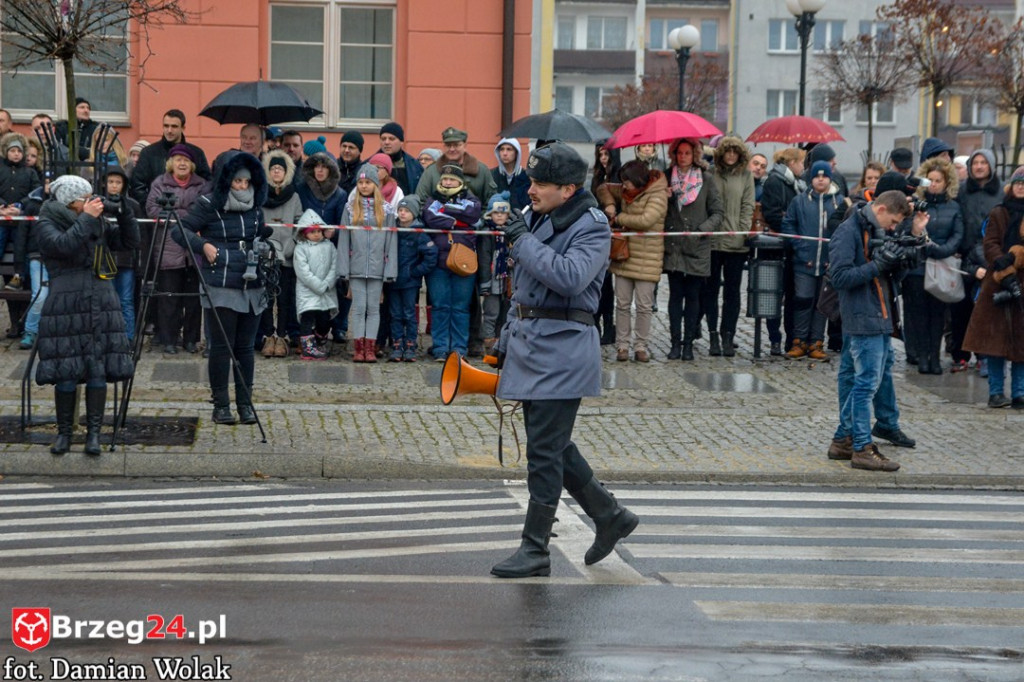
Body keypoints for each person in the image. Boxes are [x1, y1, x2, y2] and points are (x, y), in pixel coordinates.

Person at [489, 141, 638, 579]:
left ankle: (535, 549)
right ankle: (610, 515)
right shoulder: (541, 215)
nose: (531, 189)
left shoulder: (592, 226)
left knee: (544, 451)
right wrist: (504, 340)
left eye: (540, 183)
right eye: (532, 181)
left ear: (569, 189)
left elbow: (570, 278)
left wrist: (521, 239)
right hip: (533, 344)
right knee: (551, 444)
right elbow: (525, 289)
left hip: (563, 349)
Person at [34, 174, 140, 456]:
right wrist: (88, 219)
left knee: (98, 367)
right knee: (66, 370)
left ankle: (94, 434)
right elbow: (63, 246)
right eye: (84, 199)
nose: (91, 202)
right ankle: (64, 434)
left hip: (100, 298)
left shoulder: (96, 221)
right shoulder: (46, 221)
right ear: (70, 202)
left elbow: (129, 242)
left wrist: (125, 211)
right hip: (65, 303)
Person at [828, 189, 927, 471]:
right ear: (881, 209)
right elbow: (840, 277)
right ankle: (861, 446)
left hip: (881, 315)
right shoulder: (849, 231)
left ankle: (842, 440)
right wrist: (877, 265)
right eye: (894, 221)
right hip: (862, 317)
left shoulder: (875, 229)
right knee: (866, 384)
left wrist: (911, 246)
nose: (894, 228)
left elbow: (893, 274)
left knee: (863, 380)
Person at [173, 152, 272, 425]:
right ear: (226, 180)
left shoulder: (255, 206)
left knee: (245, 347)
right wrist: (203, 245)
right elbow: (179, 230)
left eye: (246, 182)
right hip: (220, 282)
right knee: (221, 347)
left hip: (251, 282)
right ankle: (221, 405)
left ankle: (245, 404)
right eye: (237, 181)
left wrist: (264, 243)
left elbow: (257, 232)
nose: (242, 187)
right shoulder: (207, 204)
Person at [963, 166, 1024, 408]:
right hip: (997, 283)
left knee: (1022, 343)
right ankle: (996, 392)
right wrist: (1004, 267)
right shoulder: (999, 212)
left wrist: (1017, 256)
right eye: (1018, 183)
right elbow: (990, 244)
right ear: (1012, 186)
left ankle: (1019, 392)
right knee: (994, 341)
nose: (1021, 187)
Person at [595, 159, 667, 362]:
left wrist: (619, 219)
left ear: (637, 180)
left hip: (648, 257)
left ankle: (641, 346)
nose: (623, 185)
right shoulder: (627, 191)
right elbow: (604, 188)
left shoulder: (657, 195)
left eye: (626, 181)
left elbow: (646, 220)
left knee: (644, 306)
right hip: (625, 256)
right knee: (623, 304)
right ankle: (622, 346)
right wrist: (610, 204)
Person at [145, 144, 211, 355]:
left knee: (193, 299)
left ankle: (191, 340)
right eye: (177, 159)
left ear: (191, 164)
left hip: (193, 249)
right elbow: (153, 210)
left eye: (185, 160)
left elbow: (202, 211)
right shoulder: (159, 183)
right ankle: (169, 340)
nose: (181, 163)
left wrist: (174, 214)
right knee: (168, 297)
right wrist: (185, 216)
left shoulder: (202, 185)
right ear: (170, 163)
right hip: (168, 247)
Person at [663, 138, 724, 361]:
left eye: (687, 153)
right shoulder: (666, 176)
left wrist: (702, 229)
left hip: (697, 246)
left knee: (693, 297)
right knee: (675, 297)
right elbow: (659, 208)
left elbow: (718, 213)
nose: (683, 157)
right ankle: (675, 343)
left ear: (695, 154)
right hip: (674, 246)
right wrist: (666, 198)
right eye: (679, 153)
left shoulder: (706, 180)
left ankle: (689, 343)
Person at [902, 158, 963, 375]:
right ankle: (922, 356)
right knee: (919, 315)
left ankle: (935, 357)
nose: (934, 184)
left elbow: (957, 235)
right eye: (931, 180)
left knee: (938, 316)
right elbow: (907, 230)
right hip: (917, 267)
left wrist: (939, 249)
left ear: (947, 182)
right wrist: (923, 244)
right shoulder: (916, 204)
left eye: (938, 180)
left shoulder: (953, 206)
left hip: (941, 266)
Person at [781, 161, 844, 361]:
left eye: (824, 176)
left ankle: (817, 342)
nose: (820, 179)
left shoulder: (839, 202)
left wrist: (833, 257)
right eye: (817, 176)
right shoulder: (800, 201)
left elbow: (844, 232)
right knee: (802, 301)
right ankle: (799, 341)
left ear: (829, 178)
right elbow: (789, 226)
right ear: (811, 178)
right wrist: (801, 251)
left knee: (822, 304)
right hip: (804, 263)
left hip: (828, 263)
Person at [337, 164, 398, 363]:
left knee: (373, 308)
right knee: (358, 307)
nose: (364, 186)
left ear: (375, 184)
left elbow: (391, 241)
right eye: (361, 182)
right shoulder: (350, 207)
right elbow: (344, 239)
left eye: (368, 182)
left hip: (377, 268)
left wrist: (390, 270)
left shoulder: (386, 210)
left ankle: (370, 347)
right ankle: (358, 346)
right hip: (356, 267)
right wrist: (343, 269)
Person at [422, 163, 482, 361]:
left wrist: (446, 211)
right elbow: (430, 217)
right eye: (444, 179)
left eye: (452, 180)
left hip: (464, 260)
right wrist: (456, 221)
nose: (447, 183)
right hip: (439, 261)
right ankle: (440, 348)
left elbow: (472, 215)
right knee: (440, 306)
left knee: (460, 307)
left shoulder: (471, 199)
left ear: (460, 182)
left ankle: (458, 349)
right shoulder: (433, 198)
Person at [950, 149, 1002, 373]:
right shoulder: (961, 191)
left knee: (986, 310)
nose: (979, 167)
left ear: (991, 165)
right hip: (965, 257)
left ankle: (984, 355)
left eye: (983, 163)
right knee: (960, 309)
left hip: (993, 257)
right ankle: (960, 354)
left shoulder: (1001, 192)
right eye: (975, 163)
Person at [707, 136, 755, 357]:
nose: (731, 155)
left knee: (732, 293)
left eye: (735, 152)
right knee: (711, 290)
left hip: (736, 243)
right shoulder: (711, 174)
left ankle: (729, 335)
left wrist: (742, 231)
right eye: (728, 151)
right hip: (713, 242)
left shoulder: (746, 176)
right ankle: (713, 334)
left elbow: (748, 206)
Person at [296, 152, 350, 347]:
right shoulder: (302, 189)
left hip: (330, 247)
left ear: (331, 170)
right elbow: (298, 214)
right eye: (316, 166)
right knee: (308, 288)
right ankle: (303, 331)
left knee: (334, 289)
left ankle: (335, 328)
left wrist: (333, 232)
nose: (319, 170)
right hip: (306, 245)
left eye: (324, 166)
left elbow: (342, 223)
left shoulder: (340, 193)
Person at [760, 146, 806, 355]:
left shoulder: (798, 184)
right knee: (774, 296)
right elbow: (773, 214)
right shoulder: (774, 182)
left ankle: (791, 339)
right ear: (791, 163)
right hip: (776, 248)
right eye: (801, 163)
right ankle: (775, 339)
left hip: (792, 248)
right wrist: (792, 222)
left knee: (792, 296)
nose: (803, 167)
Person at [259, 149, 304, 358]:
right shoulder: (261, 193)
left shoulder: (293, 195)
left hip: (286, 256)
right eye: (273, 168)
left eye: (280, 168)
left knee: (285, 298)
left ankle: (283, 335)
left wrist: (290, 247)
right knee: (267, 298)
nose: (276, 172)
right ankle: (269, 335)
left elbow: (299, 223)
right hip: (266, 255)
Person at [389, 195, 436, 361]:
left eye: (406, 211)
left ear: (414, 214)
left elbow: (431, 254)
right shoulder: (393, 230)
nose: (402, 214)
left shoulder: (419, 233)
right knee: (395, 314)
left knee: (409, 314)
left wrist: (415, 272)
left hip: (410, 282)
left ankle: (410, 344)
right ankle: (396, 344)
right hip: (393, 281)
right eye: (400, 210)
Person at [130, 109, 211, 205]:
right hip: (155, 216)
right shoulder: (148, 153)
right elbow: (137, 186)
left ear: (183, 128)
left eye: (174, 126)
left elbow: (207, 184)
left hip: (189, 216)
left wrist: (194, 208)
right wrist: (152, 206)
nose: (169, 130)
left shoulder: (196, 153)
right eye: (166, 126)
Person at [103, 166, 144, 342]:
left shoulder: (132, 205)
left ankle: (128, 337)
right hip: (105, 259)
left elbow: (139, 236)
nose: (114, 186)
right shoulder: (99, 204)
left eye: (118, 182)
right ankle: (109, 335)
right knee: (108, 300)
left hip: (127, 260)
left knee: (126, 299)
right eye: (110, 182)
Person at [292, 209, 338, 360]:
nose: (317, 234)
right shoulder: (300, 249)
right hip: (308, 291)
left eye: (319, 231)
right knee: (307, 318)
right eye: (313, 231)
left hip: (326, 290)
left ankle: (320, 339)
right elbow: (303, 272)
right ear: (304, 233)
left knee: (325, 319)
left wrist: (327, 283)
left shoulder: (330, 246)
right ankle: (308, 348)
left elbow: (334, 266)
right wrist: (318, 285)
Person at [0, 132, 41, 294]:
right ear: (5, 152)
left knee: (20, 248)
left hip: (21, 220)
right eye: (12, 151)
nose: (16, 154)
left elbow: (36, 192)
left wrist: (20, 205)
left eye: (19, 151)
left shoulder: (30, 172)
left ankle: (19, 276)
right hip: (2, 219)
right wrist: (2, 206)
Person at [591, 143, 622, 345]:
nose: (603, 158)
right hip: (598, 232)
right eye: (600, 154)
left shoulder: (618, 177)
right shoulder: (596, 177)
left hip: (615, 233)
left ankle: (609, 326)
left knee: (608, 285)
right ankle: (596, 324)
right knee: (598, 282)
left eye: (606, 154)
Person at [477, 194, 513, 354]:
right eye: (496, 212)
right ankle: (489, 344)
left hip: (507, 280)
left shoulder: (511, 233)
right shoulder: (486, 234)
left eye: (503, 213)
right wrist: (484, 283)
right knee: (491, 312)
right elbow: (484, 259)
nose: (499, 215)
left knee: (505, 313)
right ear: (490, 214)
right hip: (492, 280)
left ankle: (502, 342)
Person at [377, 122, 423, 196]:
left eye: (391, 139)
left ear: (401, 142)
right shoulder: (370, 165)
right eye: (383, 139)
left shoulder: (415, 166)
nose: (386, 142)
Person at [54, 98, 99, 162]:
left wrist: (77, 150)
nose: (86, 110)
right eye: (82, 107)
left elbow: (96, 151)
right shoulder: (62, 126)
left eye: (88, 108)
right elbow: (60, 149)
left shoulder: (95, 128)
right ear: (72, 110)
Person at [491, 138, 530, 211]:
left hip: (520, 219)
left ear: (516, 152)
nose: (504, 153)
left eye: (509, 149)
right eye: (502, 149)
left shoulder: (526, 177)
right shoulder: (492, 175)